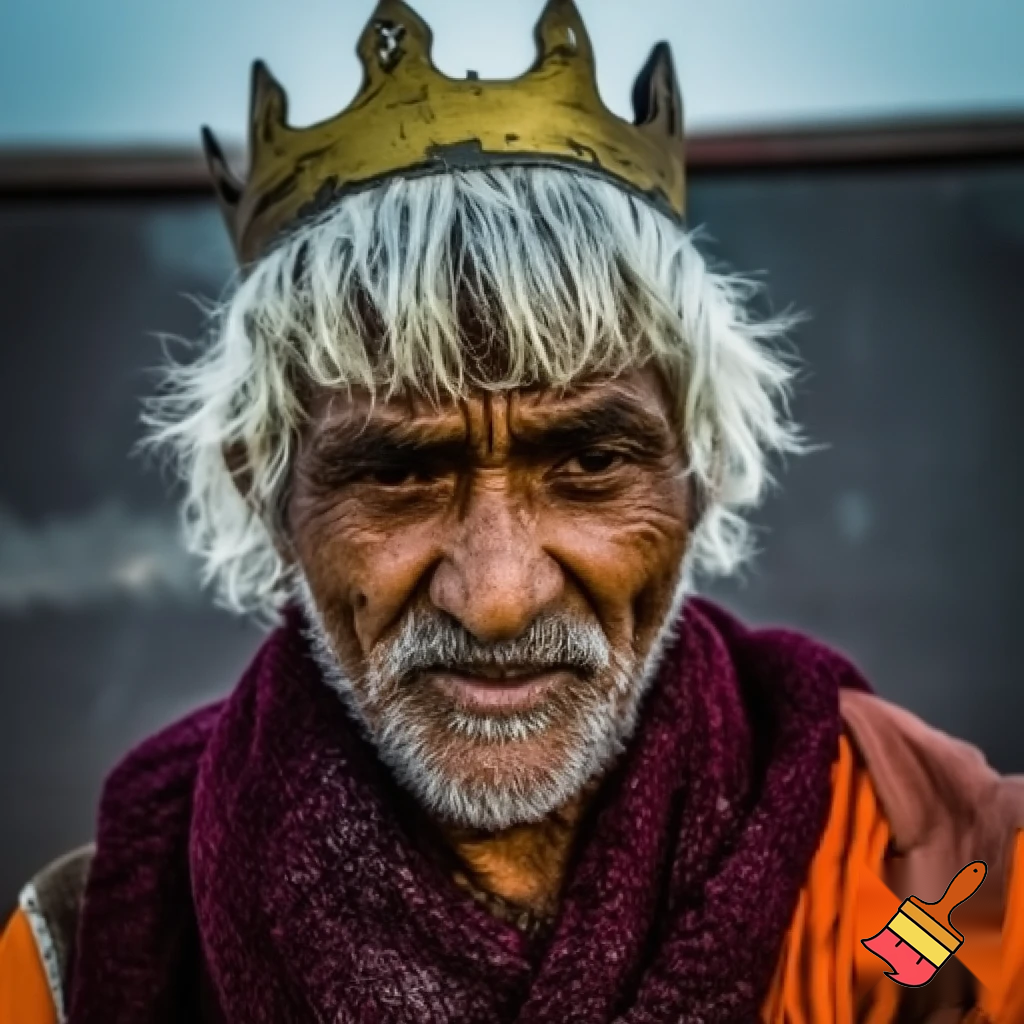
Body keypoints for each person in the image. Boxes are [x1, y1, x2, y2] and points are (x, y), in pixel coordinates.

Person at [2, 2, 1023, 1021]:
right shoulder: (80, 956)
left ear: (696, 474)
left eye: (585, 460)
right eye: (398, 473)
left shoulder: (933, 884)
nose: (495, 596)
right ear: (269, 497)